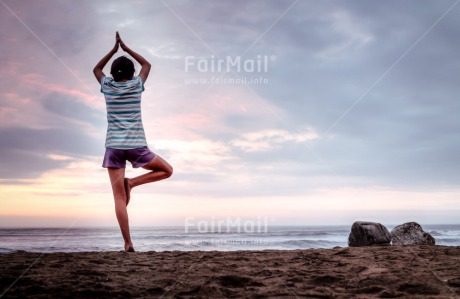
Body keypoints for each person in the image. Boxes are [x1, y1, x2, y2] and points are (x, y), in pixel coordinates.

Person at [93, 32, 173, 252]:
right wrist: (125, 48)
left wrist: (113, 50)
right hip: (136, 145)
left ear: (112, 74)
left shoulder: (107, 86)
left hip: (114, 147)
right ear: (132, 73)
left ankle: (128, 243)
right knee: (167, 170)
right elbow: (147, 64)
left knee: (118, 198)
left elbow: (96, 70)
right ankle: (133, 184)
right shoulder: (137, 85)